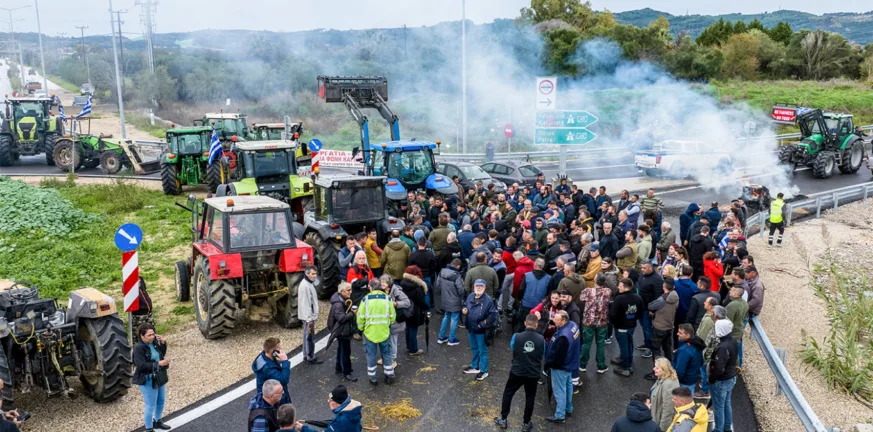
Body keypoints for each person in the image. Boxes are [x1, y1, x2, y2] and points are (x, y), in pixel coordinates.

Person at [493, 314, 545, 432]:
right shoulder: (541, 339)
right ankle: (526, 423)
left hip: (517, 370)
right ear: (536, 325)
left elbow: (513, 348)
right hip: (533, 373)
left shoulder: (516, 337)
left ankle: (503, 419)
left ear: (526, 323)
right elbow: (542, 354)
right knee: (530, 397)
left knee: (508, 393)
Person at [357, 278, 397, 386]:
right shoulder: (387, 299)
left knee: (371, 355)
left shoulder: (365, 299)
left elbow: (360, 317)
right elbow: (393, 317)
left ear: (370, 287)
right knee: (387, 354)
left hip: (370, 333)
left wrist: (361, 329)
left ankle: (373, 378)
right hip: (384, 332)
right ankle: (389, 375)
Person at [132, 324, 171, 432]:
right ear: (142, 336)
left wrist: (162, 344)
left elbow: (160, 355)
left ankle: (157, 421)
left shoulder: (153, 343)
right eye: (149, 335)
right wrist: (158, 364)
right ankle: (149, 428)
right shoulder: (138, 348)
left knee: (161, 401)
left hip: (158, 376)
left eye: (153, 334)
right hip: (147, 379)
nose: (152, 337)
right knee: (150, 405)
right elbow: (141, 366)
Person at [544, 310, 581, 423]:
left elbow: (559, 356)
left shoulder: (563, 337)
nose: (554, 320)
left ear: (564, 320)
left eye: (557, 319)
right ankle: (568, 409)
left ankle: (560, 415)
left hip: (561, 367)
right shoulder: (573, 326)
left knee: (559, 390)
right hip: (571, 364)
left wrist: (550, 364)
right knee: (568, 387)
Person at [462, 279, 499, 380]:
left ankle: (484, 371)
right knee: (474, 348)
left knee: (483, 350)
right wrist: (464, 310)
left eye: (481, 286)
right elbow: (465, 305)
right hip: (471, 328)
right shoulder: (470, 296)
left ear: (485, 288)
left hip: (481, 330)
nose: (478, 288)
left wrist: (482, 324)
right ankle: (475, 366)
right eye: (477, 286)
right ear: (474, 287)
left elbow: (493, 315)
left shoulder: (488, 300)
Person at [610, 277, 644, 377]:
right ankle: (627, 361)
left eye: (620, 286)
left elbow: (612, 314)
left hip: (621, 326)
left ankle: (625, 367)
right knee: (629, 344)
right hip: (631, 325)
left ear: (626, 287)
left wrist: (613, 322)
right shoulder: (638, 297)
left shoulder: (619, 298)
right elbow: (640, 312)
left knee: (624, 346)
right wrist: (632, 319)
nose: (618, 287)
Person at [710, 320, 739, 432]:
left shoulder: (722, 347)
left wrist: (712, 378)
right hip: (730, 377)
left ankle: (718, 429)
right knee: (726, 403)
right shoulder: (733, 341)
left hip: (721, 380)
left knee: (718, 407)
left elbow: (719, 368)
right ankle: (727, 427)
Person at [647, 279, 679, 379]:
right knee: (667, 349)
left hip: (659, 327)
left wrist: (654, 312)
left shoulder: (662, 300)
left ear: (664, 287)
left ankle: (658, 371)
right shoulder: (675, 296)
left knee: (656, 350)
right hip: (669, 326)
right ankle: (669, 369)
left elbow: (650, 306)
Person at [579, 273, 611, 374]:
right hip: (602, 322)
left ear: (595, 280)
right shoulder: (608, 291)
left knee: (586, 343)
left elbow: (582, 298)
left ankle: (583, 364)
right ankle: (601, 366)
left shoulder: (588, 291)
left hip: (589, 321)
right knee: (600, 343)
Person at [328, 282, 357, 382]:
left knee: (341, 349)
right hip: (342, 331)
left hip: (341, 330)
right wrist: (352, 314)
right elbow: (341, 318)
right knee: (345, 351)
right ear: (342, 291)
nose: (351, 292)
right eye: (348, 290)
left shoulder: (340, 300)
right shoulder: (339, 304)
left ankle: (339, 367)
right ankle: (347, 372)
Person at [381, 275, 410, 371]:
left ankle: (393, 359)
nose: (382, 284)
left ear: (389, 284)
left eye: (384, 282)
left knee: (393, 341)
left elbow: (407, 303)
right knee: (385, 341)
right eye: (381, 282)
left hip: (395, 322)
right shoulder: (379, 291)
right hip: (384, 322)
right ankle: (386, 358)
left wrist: (396, 304)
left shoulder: (397, 291)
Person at [399, 266, 429, 356]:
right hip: (415, 311)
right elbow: (420, 301)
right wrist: (426, 307)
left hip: (407, 310)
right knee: (413, 329)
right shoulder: (417, 287)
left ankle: (409, 346)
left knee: (408, 327)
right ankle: (413, 349)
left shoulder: (403, 283)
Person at [515, 258, 549, 333]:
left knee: (522, 324)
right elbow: (548, 294)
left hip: (526, 304)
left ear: (534, 265)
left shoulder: (527, 275)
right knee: (535, 326)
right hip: (539, 307)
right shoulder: (548, 278)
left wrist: (519, 299)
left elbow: (521, 289)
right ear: (543, 266)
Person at [252, 337, 291, 403]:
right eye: (278, 348)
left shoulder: (265, 356)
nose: (280, 350)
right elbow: (284, 380)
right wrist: (284, 361)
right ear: (272, 351)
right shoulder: (267, 368)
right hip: (275, 400)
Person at [436, 259, 465, 346]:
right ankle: (451, 340)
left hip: (445, 299)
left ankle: (441, 337)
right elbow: (461, 291)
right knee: (454, 319)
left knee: (446, 317)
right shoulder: (456, 276)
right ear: (458, 266)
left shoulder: (442, 272)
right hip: (455, 300)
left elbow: (437, 285)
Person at [298, 266, 322, 365]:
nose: (315, 276)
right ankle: (310, 357)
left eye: (316, 274)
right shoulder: (305, 286)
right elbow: (305, 303)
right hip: (309, 317)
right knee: (309, 337)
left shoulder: (309, 283)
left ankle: (306, 355)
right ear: (307, 274)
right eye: (312, 274)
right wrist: (309, 319)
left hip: (309, 316)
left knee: (307, 336)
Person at [650, 358, 680, 432]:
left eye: (657, 368)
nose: (654, 369)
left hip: (660, 421)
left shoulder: (668, 384)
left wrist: (662, 429)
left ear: (664, 370)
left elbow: (668, 410)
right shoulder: (662, 378)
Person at [672, 324, 705, 393]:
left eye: (680, 333)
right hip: (692, 378)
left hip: (684, 382)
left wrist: (674, 381)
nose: (677, 334)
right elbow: (701, 361)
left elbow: (680, 370)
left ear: (688, 335)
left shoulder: (684, 351)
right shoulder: (697, 343)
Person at [725, 286, 748, 368]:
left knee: (730, 354)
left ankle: (733, 369)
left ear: (735, 293)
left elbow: (727, 322)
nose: (730, 291)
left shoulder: (732, 305)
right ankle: (737, 368)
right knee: (735, 352)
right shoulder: (745, 303)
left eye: (732, 290)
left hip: (732, 333)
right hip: (739, 331)